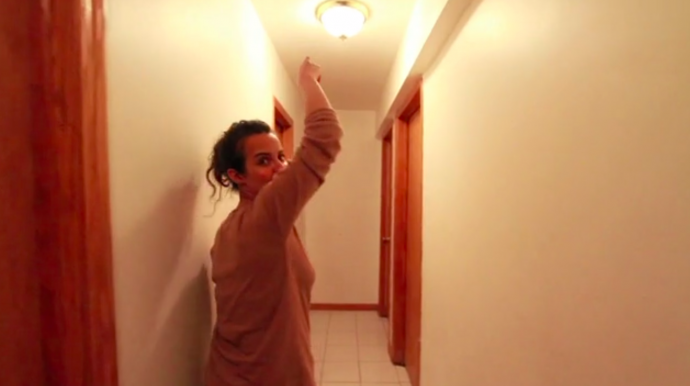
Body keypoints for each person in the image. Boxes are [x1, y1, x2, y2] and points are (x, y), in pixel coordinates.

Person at [203, 57, 343, 386]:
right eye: (264, 161)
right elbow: (325, 137)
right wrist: (308, 79)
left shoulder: (234, 227)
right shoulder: (264, 218)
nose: (280, 167)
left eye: (281, 156)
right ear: (236, 175)